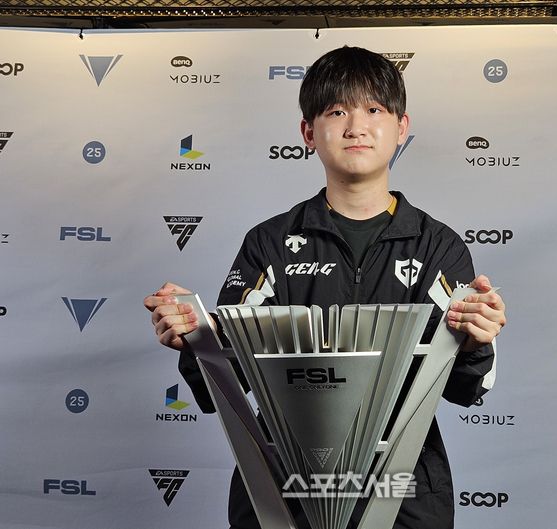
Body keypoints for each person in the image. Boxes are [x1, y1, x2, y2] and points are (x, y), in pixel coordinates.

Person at [144, 46, 506, 529]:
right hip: (284, 486)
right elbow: (226, 386)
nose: (356, 127)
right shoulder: (270, 243)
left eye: (373, 110)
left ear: (401, 127)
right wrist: (194, 337)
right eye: (337, 112)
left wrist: (478, 339)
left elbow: (465, 387)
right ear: (308, 132)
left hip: (403, 490)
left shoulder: (438, 245)